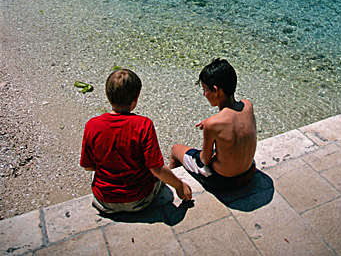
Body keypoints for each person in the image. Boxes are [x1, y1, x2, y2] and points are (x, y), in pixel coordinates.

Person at [80, 68, 192, 213]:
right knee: (157, 177)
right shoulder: (143, 125)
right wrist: (179, 185)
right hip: (140, 200)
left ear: (107, 95)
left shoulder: (92, 125)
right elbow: (156, 168)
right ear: (136, 98)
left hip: (104, 201)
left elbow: (88, 166)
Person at [170, 58, 257, 191]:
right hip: (248, 173)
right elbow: (234, 126)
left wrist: (210, 128)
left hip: (223, 181)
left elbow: (205, 160)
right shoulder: (248, 105)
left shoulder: (213, 124)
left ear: (216, 90)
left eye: (205, 90)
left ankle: (173, 187)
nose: (204, 94)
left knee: (176, 149)